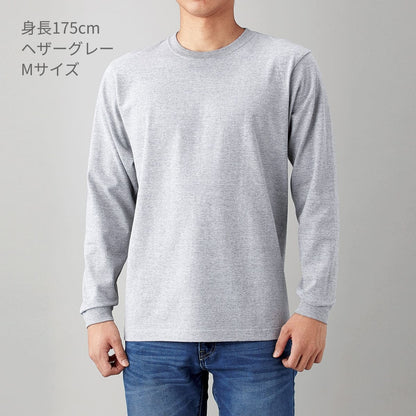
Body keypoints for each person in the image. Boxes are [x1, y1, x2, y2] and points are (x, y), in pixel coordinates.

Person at [79, 0, 340, 414]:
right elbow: (108, 198)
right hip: (155, 334)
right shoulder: (126, 76)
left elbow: (318, 193)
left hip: (261, 333)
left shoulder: (288, 66)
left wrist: (315, 307)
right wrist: (97, 309)